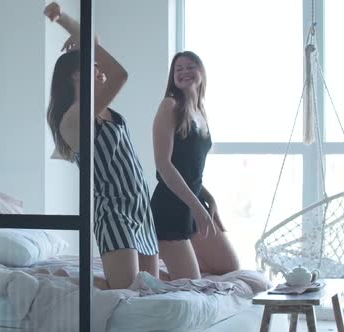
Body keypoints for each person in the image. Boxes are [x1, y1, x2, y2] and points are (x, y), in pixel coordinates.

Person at [44, 2, 159, 290]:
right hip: (114, 210)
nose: (101, 69)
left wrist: (68, 24)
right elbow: (121, 74)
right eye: (94, 66)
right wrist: (71, 28)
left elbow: (98, 48)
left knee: (148, 290)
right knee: (129, 291)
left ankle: (68, 279)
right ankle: (64, 280)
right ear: (75, 74)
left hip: (140, 206)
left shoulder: (101, 108)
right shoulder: (74, 117)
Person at [151, 51, 240, 280]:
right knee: (190, 283)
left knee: (230, 267)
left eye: (190, 67)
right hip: (170, 208)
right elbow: (164, 166)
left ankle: (159, 267)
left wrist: (209, 198)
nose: (184, 72)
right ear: (173, 77)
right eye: (178, 69)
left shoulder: (200, 113)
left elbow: (190, 171)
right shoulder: (169, 106)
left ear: (201, 72)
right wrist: (198, 207)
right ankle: (143, 273)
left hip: (193, 201)